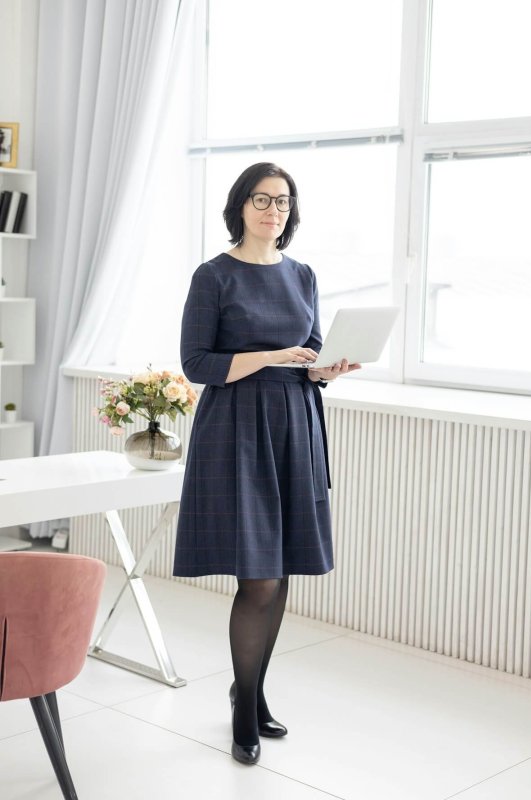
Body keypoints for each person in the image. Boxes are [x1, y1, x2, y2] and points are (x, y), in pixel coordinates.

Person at [173, 162, 360, 765]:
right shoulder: (213, 276)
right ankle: (244, 708)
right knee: (257, 577)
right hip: (236, 429)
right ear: (240, 206)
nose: (271, 210)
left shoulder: (303, 275)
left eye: (281, 201)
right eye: (260, 199)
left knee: (277, 571)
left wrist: (323, 369)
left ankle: (248, 690)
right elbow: (198, 365)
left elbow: (309, 354)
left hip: (294, 423)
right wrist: (273, 354)